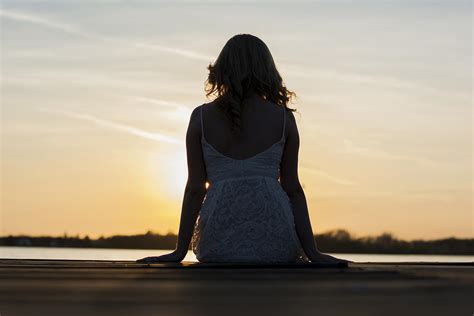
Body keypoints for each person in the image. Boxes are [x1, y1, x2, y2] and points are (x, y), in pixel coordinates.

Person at [137, 34, 347, 265]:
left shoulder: (201, 117)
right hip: (276, 243)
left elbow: (195, 189)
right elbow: (293, 189)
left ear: (223, 68)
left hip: (218, 244)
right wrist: (313, 253)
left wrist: (179, 251)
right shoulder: (284, 119)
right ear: (267, 70)